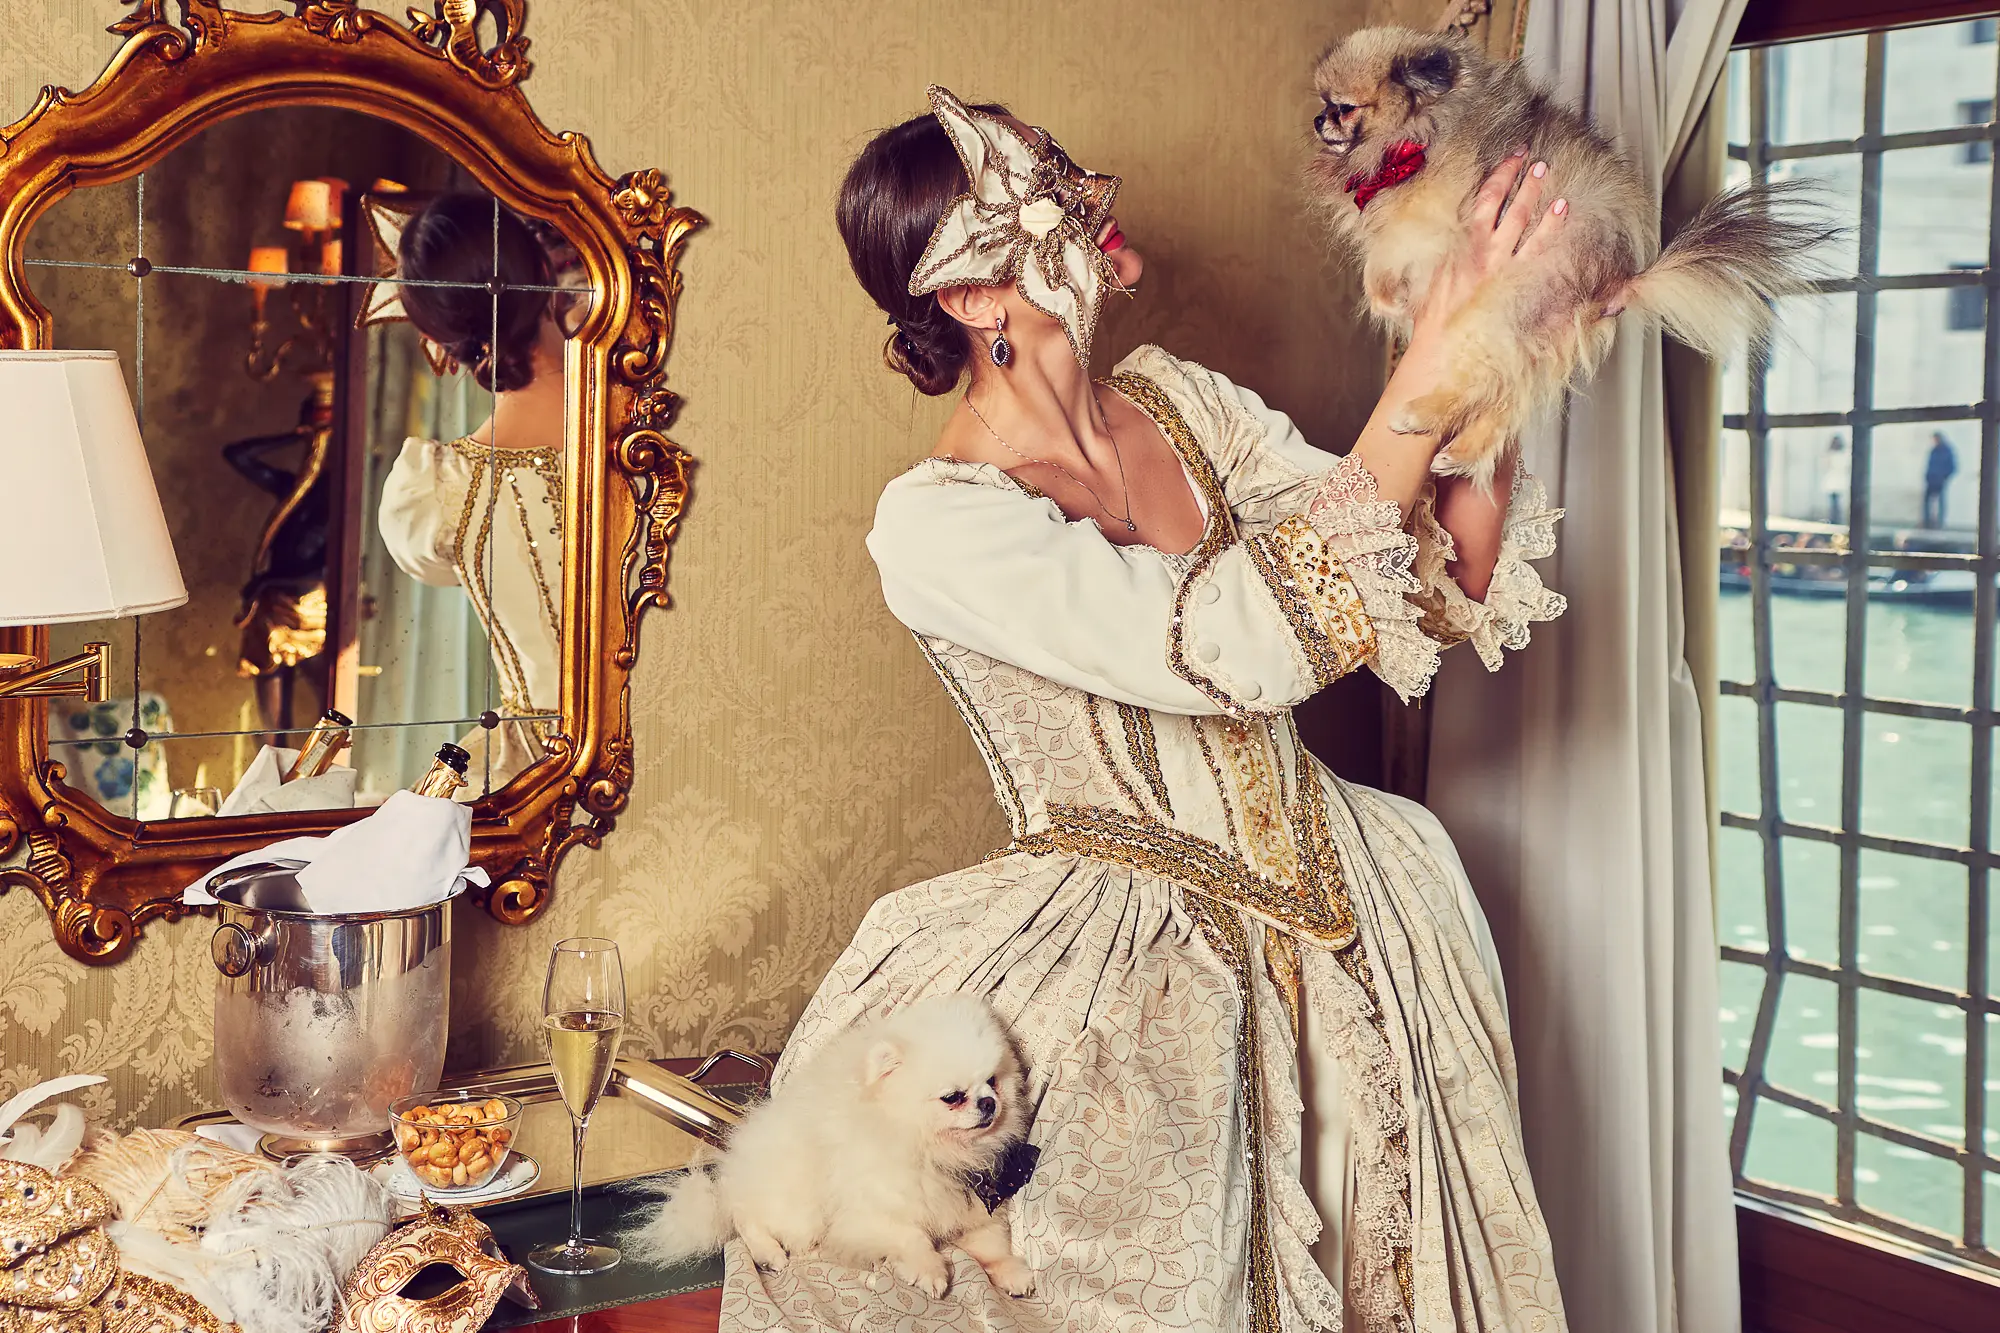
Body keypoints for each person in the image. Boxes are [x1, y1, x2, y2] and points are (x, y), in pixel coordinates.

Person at [720, 90, 1573, 1331]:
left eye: (1070, 170)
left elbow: (1433, 580)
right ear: (965, 296)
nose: (1092, 199)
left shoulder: (1185, 403)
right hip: (1134, 964)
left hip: (1367, 915)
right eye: (1047, 191)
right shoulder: (938, 523)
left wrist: (1491, 352)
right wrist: (1416, 388)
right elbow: (1242, 645)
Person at [376, 193, 575, 796]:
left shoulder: (435, 495)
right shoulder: (648, 433)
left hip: (532, 781)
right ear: (543, 269)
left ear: (439, 335)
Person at [1925, 430, 1958, 528]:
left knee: (1940, 502)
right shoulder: (1934, 450)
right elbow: (1930, 465)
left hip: (1940, 480)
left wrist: (1944, 477)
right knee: (1928, 501)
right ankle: (1928, 522)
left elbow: (1952, 466)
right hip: (1931, 479)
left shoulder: (1947, 451)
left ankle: (1940, 523)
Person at [1823, 433, 1849, 527]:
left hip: (1835, 480)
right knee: (1835, 501)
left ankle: (1835, 519)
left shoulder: (1833, 454)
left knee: (1835, 501)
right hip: (1835, 480)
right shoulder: (1842, 454)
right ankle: (1835, 518)